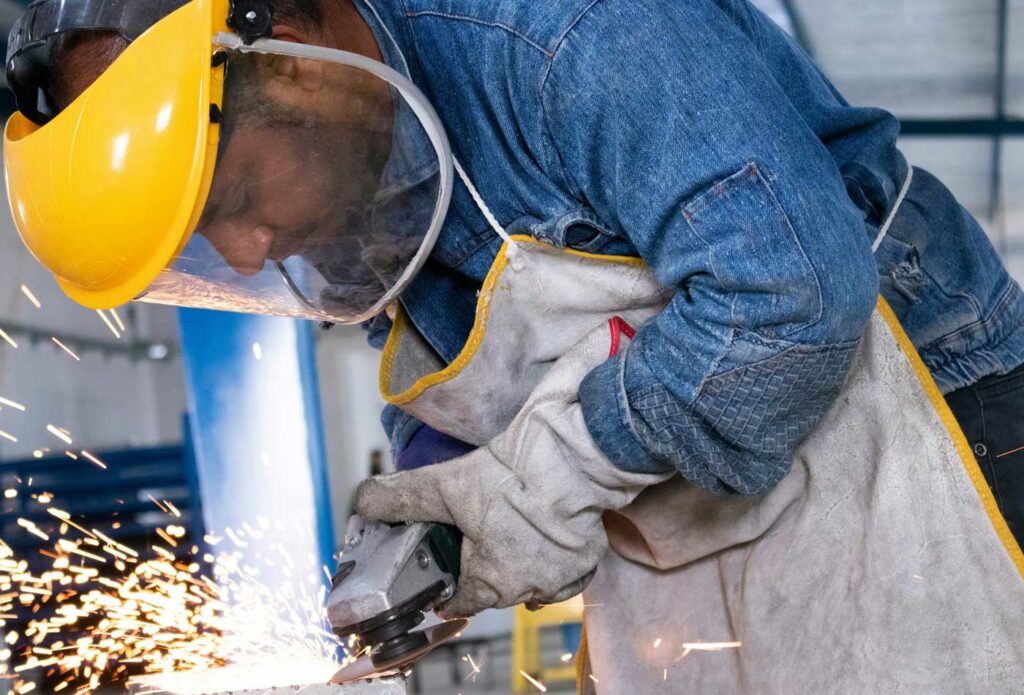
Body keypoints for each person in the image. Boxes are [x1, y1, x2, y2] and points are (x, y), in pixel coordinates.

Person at [5, 0, 1024, 690]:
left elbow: (790, 292)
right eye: (203, 240)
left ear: (292, 56)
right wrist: (442, 506)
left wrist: (544, 484)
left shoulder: (573, 37)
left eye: (229, 198)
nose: (243, 244)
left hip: (925, 415)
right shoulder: (361, 151)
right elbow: (451, 344)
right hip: (686, 497)